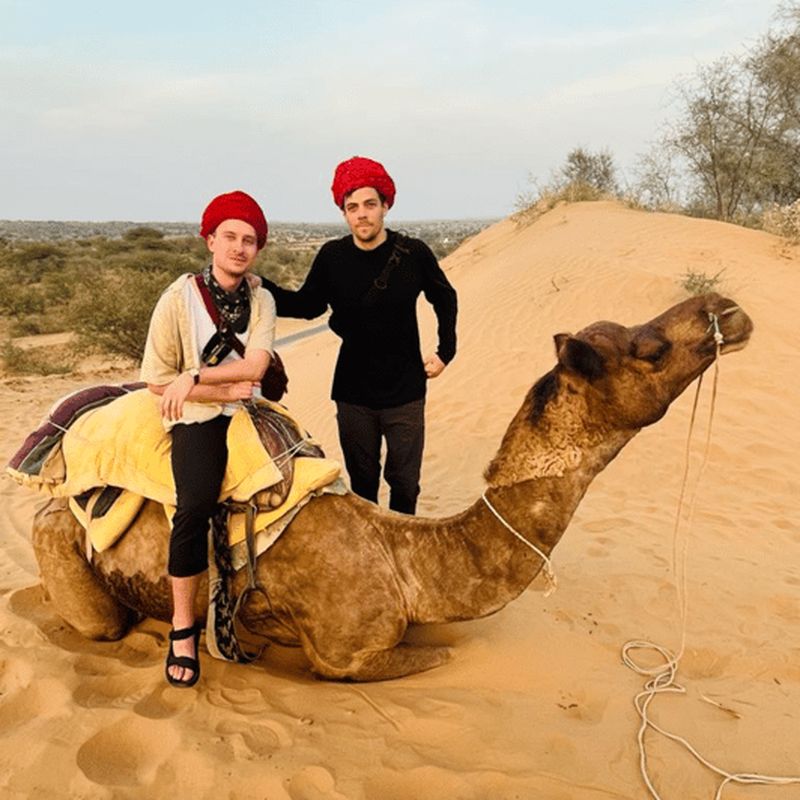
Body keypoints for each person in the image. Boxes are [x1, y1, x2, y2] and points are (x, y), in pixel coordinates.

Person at [260, 156, 457, 515]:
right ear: (344, 213)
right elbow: (307, 305)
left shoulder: (413, 253)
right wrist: (261, 287)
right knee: (363, 483)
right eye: (352, 207)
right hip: (353, 393)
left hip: (406, 391)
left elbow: (445, 297)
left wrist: (446, 351)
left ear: (385, 206)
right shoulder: (332, 256)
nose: (361, 214)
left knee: (405, 484)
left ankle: (402, 550)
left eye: (370, 204)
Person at [140, 190, 276, 688]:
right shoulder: (179, 299)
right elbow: (156, 378)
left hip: (243, 405)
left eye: (250, 240)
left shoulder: (261, 298)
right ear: (210, 240)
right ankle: (183, 629)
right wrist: (210, 388)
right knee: (194, 506)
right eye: (231, 237)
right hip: (196, 417)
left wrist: (194, 378)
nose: (240, 248)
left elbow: (257, 367)